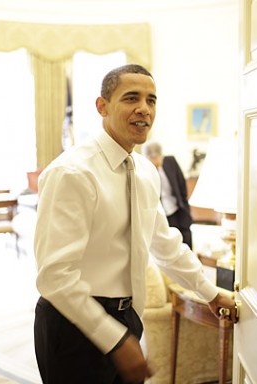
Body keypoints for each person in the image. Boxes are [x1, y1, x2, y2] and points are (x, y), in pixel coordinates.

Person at [33, 64, 236, 384]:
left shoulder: (145, 171)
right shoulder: (72, 173)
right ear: (102, 106)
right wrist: (113, 339)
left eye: (151, 100)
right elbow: (54, 278)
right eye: (131, 98)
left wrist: (211, 294)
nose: (144, 108)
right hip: (72, 326)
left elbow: (164, 243)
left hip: (129, 320)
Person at [142, 141, 193, 248]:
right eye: (152, 163)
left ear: (162, 157)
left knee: (186, 242)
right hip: (162, 215)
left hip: (178, 210)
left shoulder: (171, 162)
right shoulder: (143, 172)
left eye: (157, 162)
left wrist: (186, 208)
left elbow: (182, 185)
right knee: (170, 246)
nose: (156, 166)